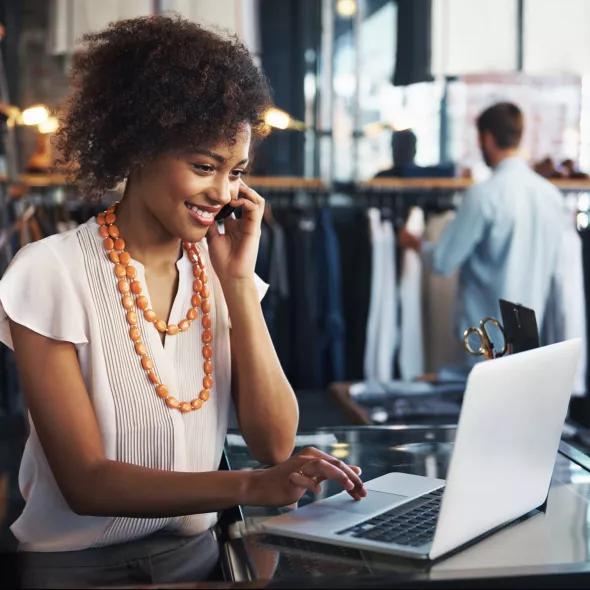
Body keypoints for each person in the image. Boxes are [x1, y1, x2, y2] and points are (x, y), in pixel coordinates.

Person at [0, 16, 366, 588]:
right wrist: (247, 488)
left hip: (199, 561)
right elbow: (86, 482)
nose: (222, 193)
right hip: (74, 570)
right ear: (140, 148)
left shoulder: (220, 272)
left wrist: (239, 284)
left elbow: (274, 443)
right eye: (204, 167)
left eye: (236, 171)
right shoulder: (49, 272)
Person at [398, 102, 568, 359]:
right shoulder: (551, 197)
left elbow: (443, 261)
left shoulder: (483, 196)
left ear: (487, 138)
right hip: (532, 342)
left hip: (486, 345)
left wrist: (414, 243)